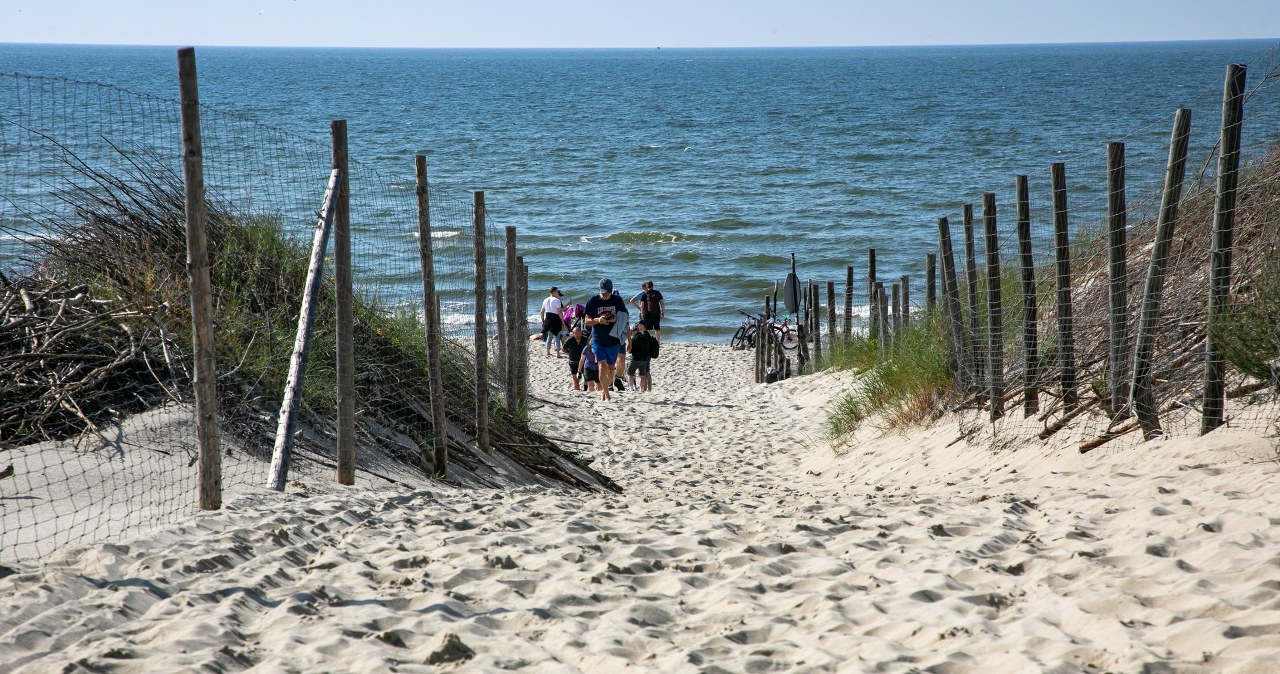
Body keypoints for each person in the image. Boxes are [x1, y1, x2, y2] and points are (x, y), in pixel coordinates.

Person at [584, 278, 628, 401]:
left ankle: (604, 389)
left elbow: (624, 316)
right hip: (598, 339)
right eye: (604, 294)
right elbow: (587, 320)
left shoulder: (617, 300)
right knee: (602, 366)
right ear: (599, 290)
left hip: (613, 339)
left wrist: (613, 319)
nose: (606, 296)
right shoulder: (593, 301)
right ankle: (607, 395)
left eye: (608, 293)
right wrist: (598, 320)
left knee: (611, 368)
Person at [627, 320, 658, 392]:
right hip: (645, 356)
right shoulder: (644, 334)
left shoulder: (644, 334)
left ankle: (647, 389)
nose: (637, 326)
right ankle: (645, 389)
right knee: (644, 373)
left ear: (643, 326)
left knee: (645, 373)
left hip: (645, 356)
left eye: (639, 325)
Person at [561, 325, 589, 390]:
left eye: (579, 333)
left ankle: (585, 390)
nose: (578, 335)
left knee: (586, 377)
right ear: (573, 334)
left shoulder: (585, 339)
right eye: (576, 334)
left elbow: (590, 347)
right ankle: (577, 390)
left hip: (584, 361)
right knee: (575, 378)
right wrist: (569, 352)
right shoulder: (570, 340)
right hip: (573, 362)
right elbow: (563, 349)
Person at [539, 287, 565, 356]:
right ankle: (558, 353)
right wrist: (563, 322)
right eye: (556, 291)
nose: (557, 293)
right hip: (555, 319)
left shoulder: (545, 300)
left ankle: (548, 351)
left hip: (548, 318)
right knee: (557, 336)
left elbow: (542, 311)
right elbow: (559, 312)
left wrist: (542, 320)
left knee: (549, 336)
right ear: (553, 292)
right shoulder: (557, 300)